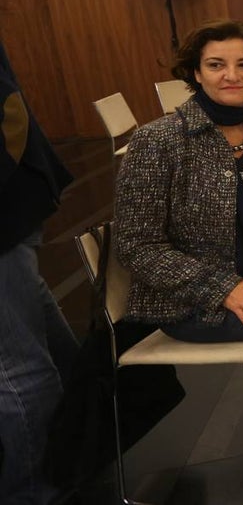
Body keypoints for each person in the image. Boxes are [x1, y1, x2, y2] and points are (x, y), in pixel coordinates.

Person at [115, 20, 243, 342]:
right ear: (196, 73)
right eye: (216, 65)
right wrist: (223, 287)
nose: (232, 75)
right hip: (199, 303)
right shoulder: (159, 141)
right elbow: (137, 247)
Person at [0, 39, 77, 504]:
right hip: (16, 203)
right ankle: (82, 449)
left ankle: (37, 492)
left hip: (5, 209)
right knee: (42, 341)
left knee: (15, 369)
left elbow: (8, 114)